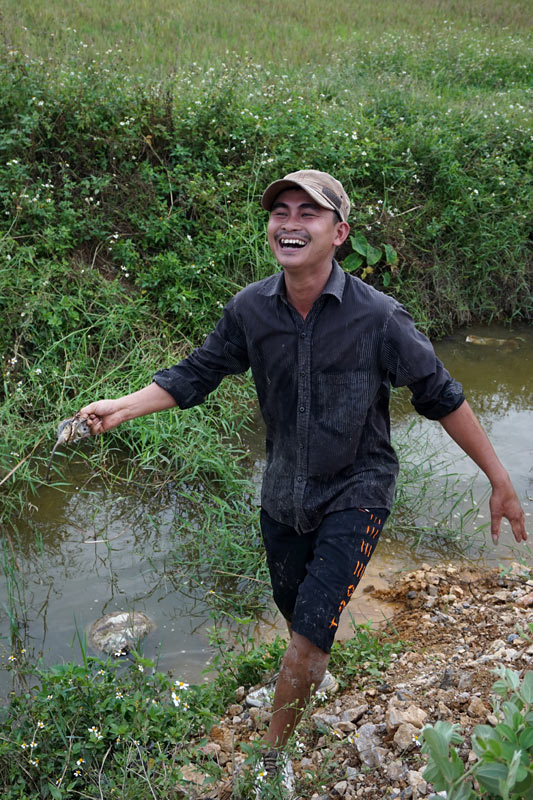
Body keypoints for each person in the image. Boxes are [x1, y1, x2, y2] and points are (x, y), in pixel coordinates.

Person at [80, 169, 527, 795]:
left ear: (339, 233)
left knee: (310, 639)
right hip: (284, 492)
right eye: (280, 211)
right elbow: (198, 372)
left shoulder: (379, 317)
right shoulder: (250, 309)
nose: (290, 223)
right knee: (297, 617)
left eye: (308, 213)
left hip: (359, 489)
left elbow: (441, 395)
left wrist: (499, 480)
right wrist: (121, 406)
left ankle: (271, 758)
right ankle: (308, 667)